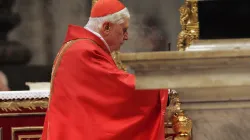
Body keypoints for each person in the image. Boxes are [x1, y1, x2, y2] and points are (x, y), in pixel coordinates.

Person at [42, 0, 168, 140]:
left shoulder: (82, 46)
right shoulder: (84, 51)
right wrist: (158, 86)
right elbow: (118, 88)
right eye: (123, 30)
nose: (126, 37)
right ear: (106, 27)